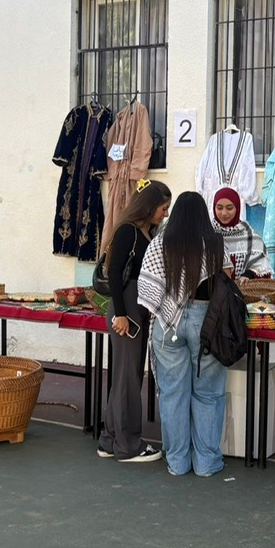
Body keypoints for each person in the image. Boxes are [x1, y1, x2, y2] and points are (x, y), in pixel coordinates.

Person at [136, 191, 232, 477]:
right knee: (208, 394)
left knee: (173, 394)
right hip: (207, 323)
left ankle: (177, 462)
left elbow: (147, 284)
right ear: (204, 214)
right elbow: (228, 279)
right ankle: (206, 463)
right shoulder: (214, 243)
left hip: (168, 324)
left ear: (176, 213)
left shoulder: (160, 242)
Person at [96, 180, 172, 463]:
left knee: (123, 377)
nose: (165, 214)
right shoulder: (128, 231)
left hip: (133, 309)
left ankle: (110, 440)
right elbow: (115, 273)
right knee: (128, 378)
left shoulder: (144, 232)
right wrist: (121, 314)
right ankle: (128, 445)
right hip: (127, 309)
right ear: (150, 206)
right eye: (163, 208)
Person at [211, 187, 272, 279]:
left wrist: (249, 275)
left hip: (244, 288)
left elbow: (263, 267)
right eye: (219, 208)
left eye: (229, 208)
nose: (224, 213)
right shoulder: (208, 234)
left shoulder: (250, 236)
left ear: (237, 208)